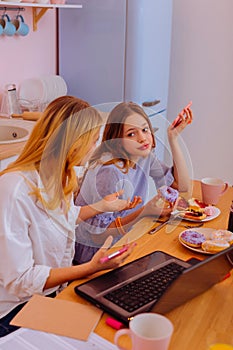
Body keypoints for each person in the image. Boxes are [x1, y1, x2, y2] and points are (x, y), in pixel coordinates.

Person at [0, 96, 137, 338]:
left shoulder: (59, 174)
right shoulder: (14, 190)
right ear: (72, 142)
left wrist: (100, 206)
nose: (96, 147)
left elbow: (61, 218)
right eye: (93, 141)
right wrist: (89, 268)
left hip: (50, 294)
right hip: (14, 311)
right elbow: (20, 279)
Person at [74, 101, 193, 264]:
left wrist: (173, 138)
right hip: (96, 252)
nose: (142, 138)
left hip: (126, 236)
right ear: (117, 140)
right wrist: (145, 212)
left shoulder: (143, 156)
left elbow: (182, 186)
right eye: (131, 134)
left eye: (145, 130)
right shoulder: (110, 171)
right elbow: (97, 236)